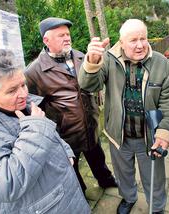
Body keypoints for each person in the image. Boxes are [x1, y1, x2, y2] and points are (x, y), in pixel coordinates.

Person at [0, 49, 90, 213]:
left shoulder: (18, 105)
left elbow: (47, 134)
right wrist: (36, 128)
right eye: (12, 90)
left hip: (63, 198)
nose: (23, 94)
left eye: (23, 84)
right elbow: (8, 184)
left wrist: (65, 150)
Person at [78, 19, 169, 214]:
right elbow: (89, 86)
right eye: (133, 40)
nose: (140, 45)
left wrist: (164, 132)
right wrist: (92, 62)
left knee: (154, 177)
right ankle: (128, 198)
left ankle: (157, 207)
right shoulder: (108, 59)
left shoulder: (162, 64)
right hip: (119, 135)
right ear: (121, 42)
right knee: (123, 173)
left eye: (143, 38)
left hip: (149, 136)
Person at [24, 17, 117, 194]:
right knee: (72, 168)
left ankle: (106, 180)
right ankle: (80, 194)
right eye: (61, 35)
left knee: (98, 157)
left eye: (67, 34)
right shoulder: (33, 72)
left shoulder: (82, 56)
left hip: (90, 124)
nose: (67, 38)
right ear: (46, 40)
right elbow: (32, 107)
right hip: (65, 134)